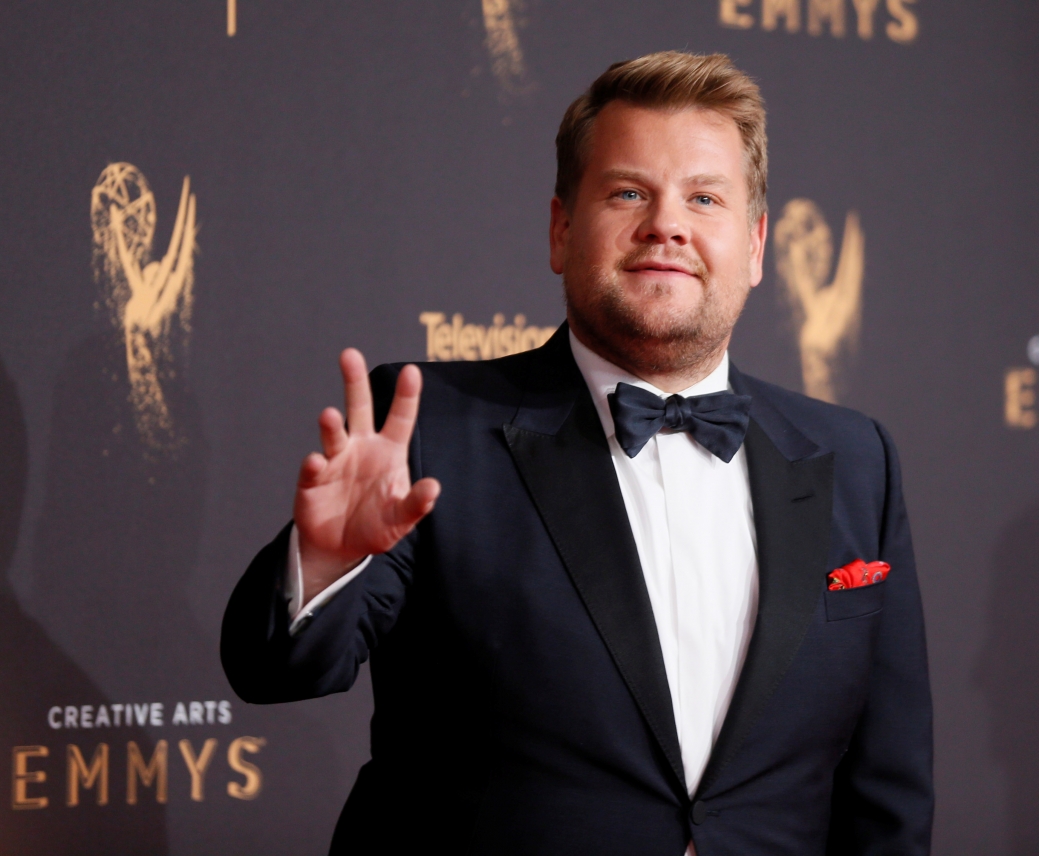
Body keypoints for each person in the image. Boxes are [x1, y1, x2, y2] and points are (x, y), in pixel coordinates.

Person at [221, 51, 933, 855]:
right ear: (562, 229)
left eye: (704, 198)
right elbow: (277, 672)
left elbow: (889, 784)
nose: (667, 223)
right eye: (629, 192)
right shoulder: (432, 429)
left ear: (757, 244)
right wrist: (324, 565)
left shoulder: (854, 458)